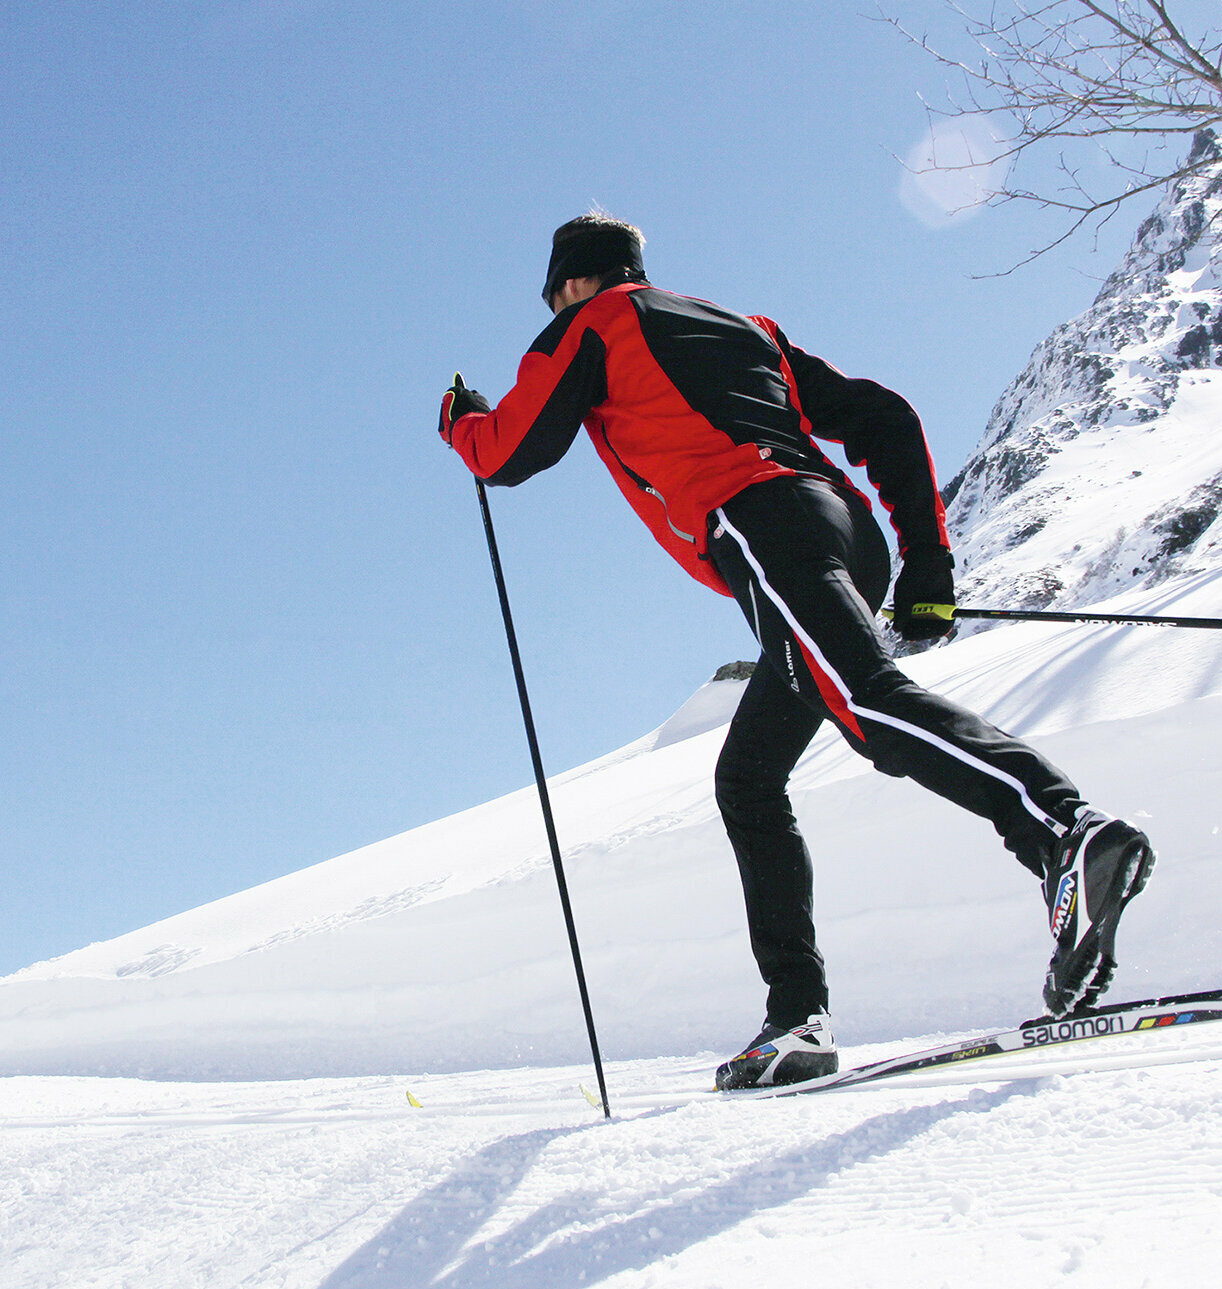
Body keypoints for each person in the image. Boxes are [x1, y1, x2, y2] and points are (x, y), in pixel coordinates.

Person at [440, 213, 1155, 1090]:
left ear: (577, 281)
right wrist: (927, 562)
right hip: (839, 525)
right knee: (747, 777)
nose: (554, 305)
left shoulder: (590, 327)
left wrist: (461, 420)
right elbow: (883, 415)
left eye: (555, 290)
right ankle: (795, 1019)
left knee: (866, 702)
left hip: (759, 519)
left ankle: (1064, 833)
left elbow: (511, 451)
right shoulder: (749, 329)